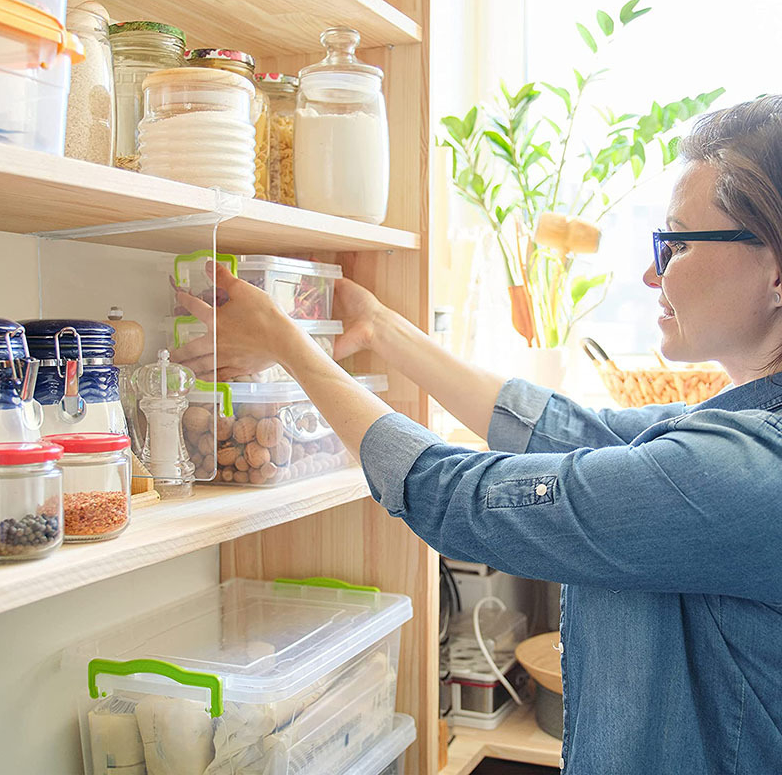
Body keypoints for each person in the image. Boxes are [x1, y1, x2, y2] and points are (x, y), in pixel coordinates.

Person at [172, 96, 782, 774]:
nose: (650, 271)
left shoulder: (748, 471)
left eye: (677, 243)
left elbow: (460, 498)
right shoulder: (739, 432)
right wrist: (381, 328)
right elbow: (573, 433)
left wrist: (290, 345)